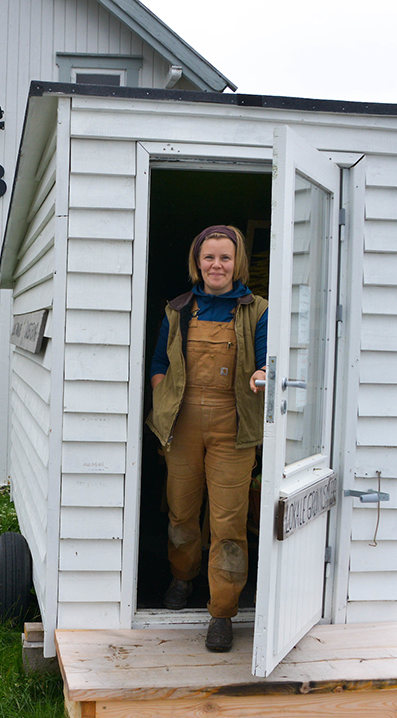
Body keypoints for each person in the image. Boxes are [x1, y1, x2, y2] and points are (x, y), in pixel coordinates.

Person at [146, 224, 267, 652]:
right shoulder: (178, 309)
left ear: (238, 264)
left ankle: (222, 612)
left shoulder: (258, 310)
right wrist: (163, 388)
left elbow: (270, 360)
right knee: (181, 512)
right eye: (209, 257)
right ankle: (182, 577)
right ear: (197, 263)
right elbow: (159, 361)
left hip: (233, 429)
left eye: (226, 257)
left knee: (229, 523)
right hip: (183, 424)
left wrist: (262, 373)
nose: (217, 264)